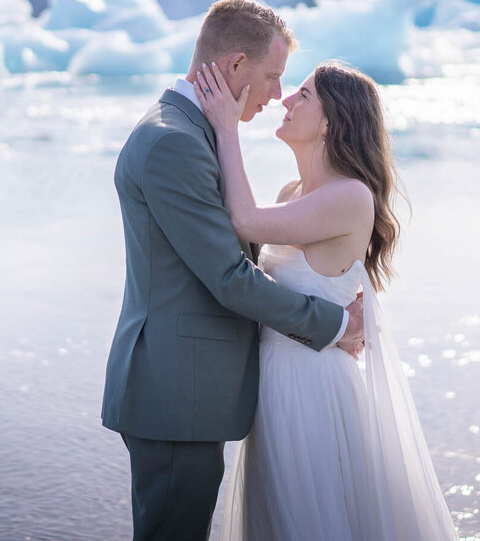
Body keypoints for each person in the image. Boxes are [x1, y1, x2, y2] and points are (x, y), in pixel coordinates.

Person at [101, 0, 366, 541]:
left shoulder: (188, 133)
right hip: (177, 390)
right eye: (272, 76)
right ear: (235, 66)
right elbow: (227, 278)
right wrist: (337, 325)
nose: (277, 94)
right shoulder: (174, 143)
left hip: (187, 385)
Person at [194, 59, 458, 541]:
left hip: (311, 388)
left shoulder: (351, 196)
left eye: (304, 95)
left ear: (333, 121)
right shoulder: (291, 191)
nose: (285, 101)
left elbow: (246, 223)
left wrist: (226, 127)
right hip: (272, 381)